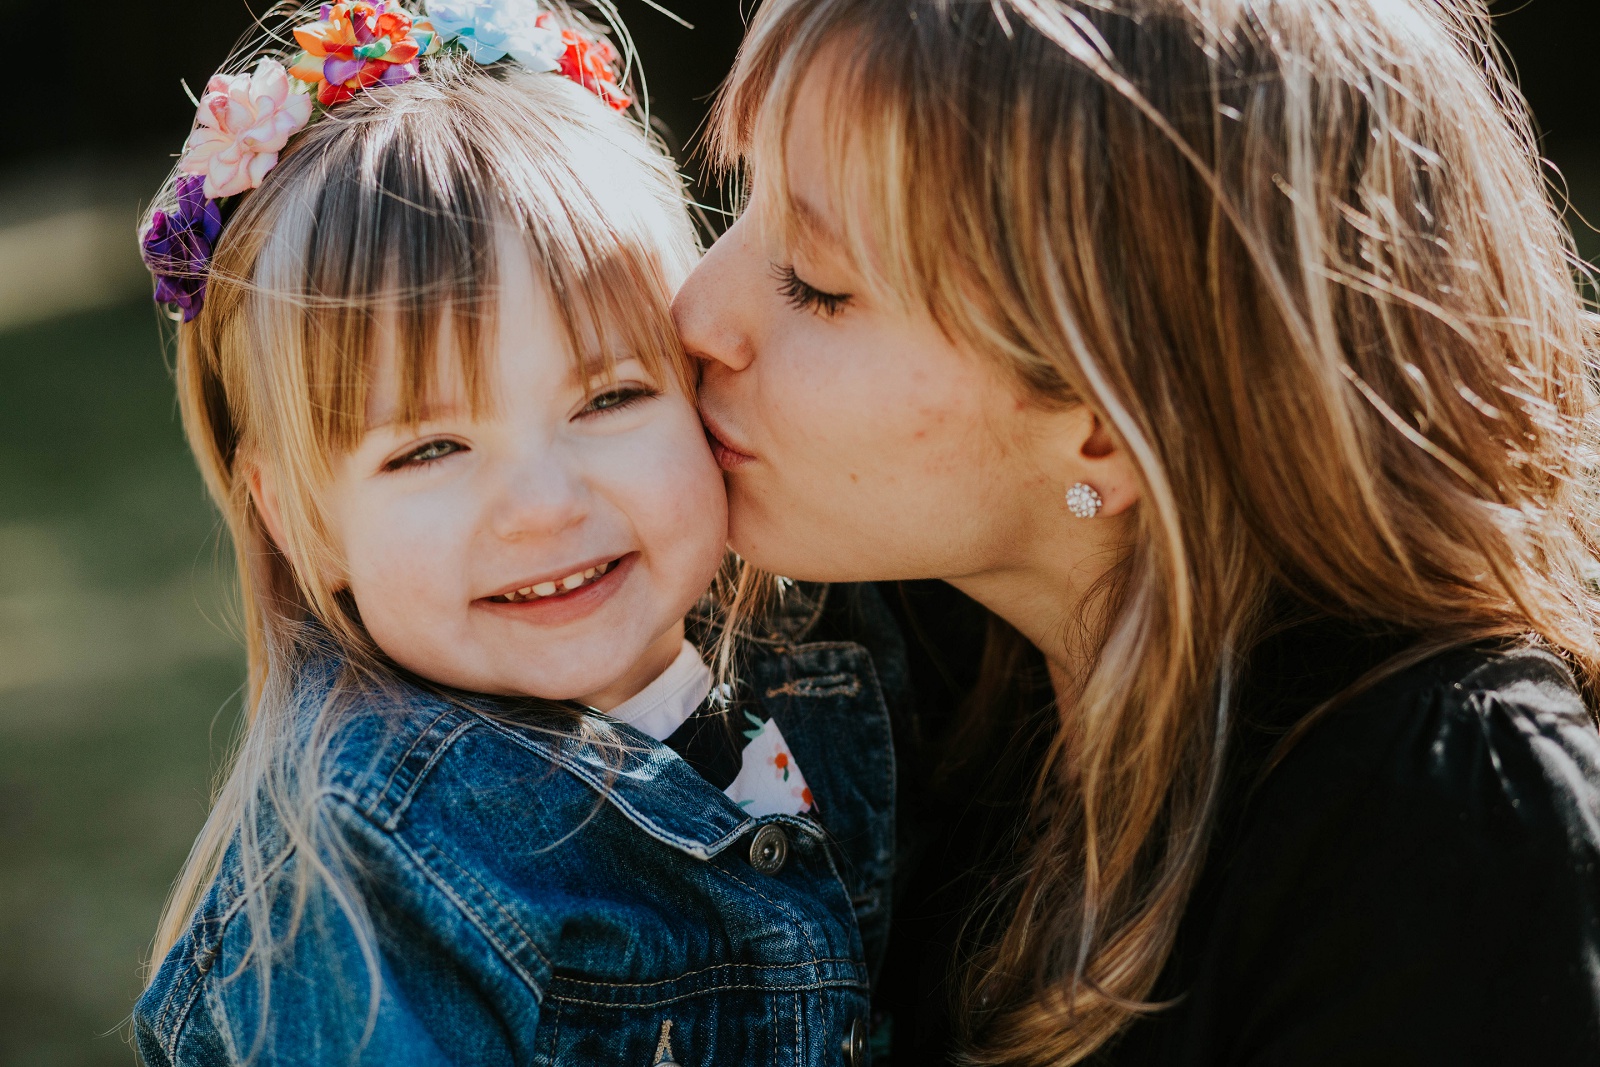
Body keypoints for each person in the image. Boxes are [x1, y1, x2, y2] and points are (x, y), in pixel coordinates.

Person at [673, 0, 1600, 1063]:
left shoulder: (1438, 831)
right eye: (741, 205)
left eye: (816, 284)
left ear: (1114, 425)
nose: (697, 308)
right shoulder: (901, 674)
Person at [131, 3, 898, 1063]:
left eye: (609, 399)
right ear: (299, 515)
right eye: (430, 449)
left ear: (700, 387)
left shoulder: (830, 647)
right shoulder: (370, 878)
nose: (542, 503)